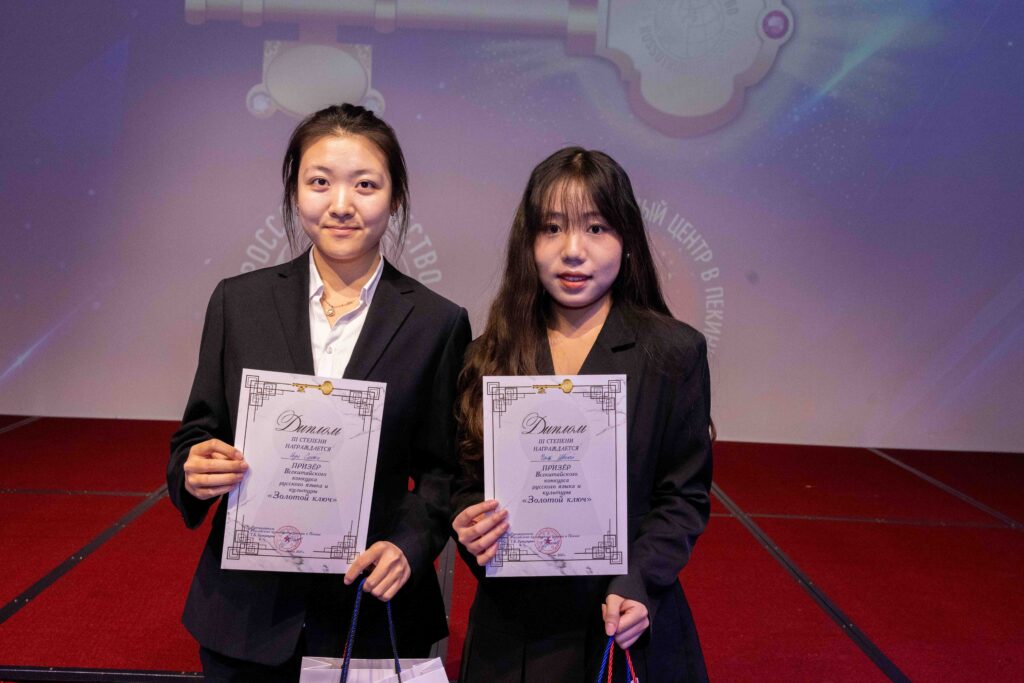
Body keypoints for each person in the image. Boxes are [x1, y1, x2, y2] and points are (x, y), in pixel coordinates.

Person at [168, 104, 471, 681]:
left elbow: (444, 471)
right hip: (247, 615)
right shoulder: (239, 302)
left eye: (365, 185)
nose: (341, 204)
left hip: (371, 609)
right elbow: (198, 433)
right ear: (294, 192)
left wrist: (409, 545)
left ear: (395, 197)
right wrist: (194, 467)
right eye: (320, 182)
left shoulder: (438, 322)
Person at [452, 147, 712, 682]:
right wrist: (469, 526)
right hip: (514, 630)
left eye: (596, 228)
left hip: (627, 615)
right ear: (528, 243)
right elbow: (464, 485)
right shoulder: (487, 356)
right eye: (552, 229)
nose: (573, 251)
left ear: (627, 239)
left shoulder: (674, 353)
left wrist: (640, 582)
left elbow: (683, 496)